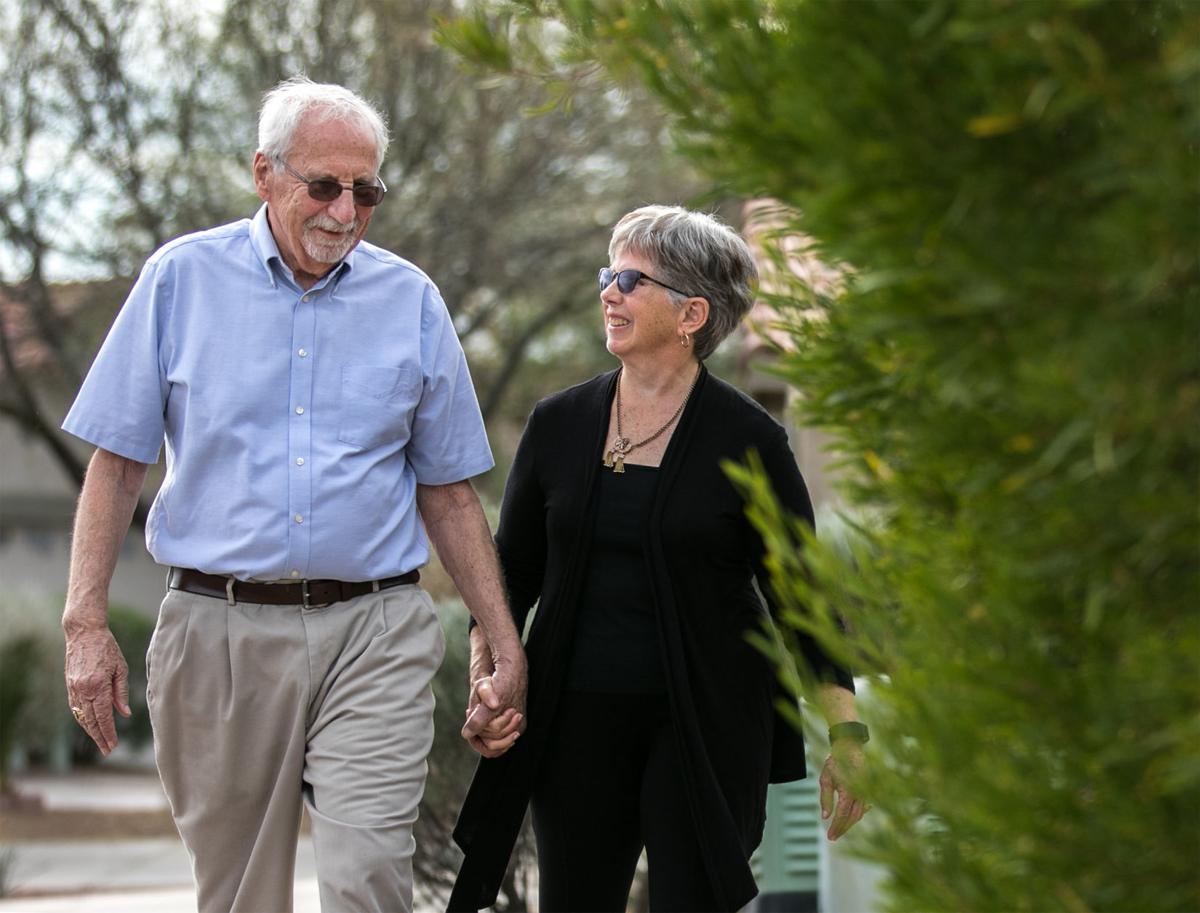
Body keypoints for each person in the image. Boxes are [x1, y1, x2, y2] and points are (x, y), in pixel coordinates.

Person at [60, 76, 526, 913]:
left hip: (374, 629)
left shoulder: (412, 301)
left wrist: (500, 636)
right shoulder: (179, 281)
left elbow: (450, 494)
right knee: (242, 895)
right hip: (219, 629)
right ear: (263, 173)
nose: (344, 212)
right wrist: (84, 625)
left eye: (365, 192)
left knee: (368, 880)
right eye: (323, 186)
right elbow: (117, 465)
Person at [448, 205, 868, 912]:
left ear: (691, 314)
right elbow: (510, 574)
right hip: (573, 722)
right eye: (607, 275)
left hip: (705, 723)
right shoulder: (558, 424)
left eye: (629, 280)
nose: (608, 293)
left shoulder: (751, 441)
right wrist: (486, 677)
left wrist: (847, 734)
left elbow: (801, 598)